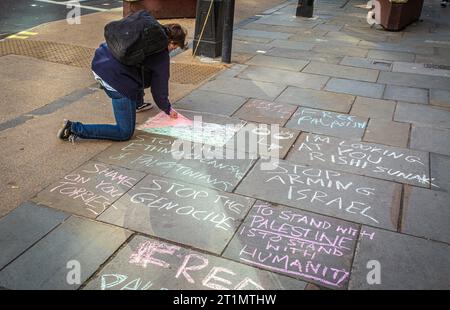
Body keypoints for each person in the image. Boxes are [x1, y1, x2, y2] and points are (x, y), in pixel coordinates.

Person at [57, 23, 187, 143]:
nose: (172, 51)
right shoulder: (161, 55)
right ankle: (73, 128)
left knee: (137, 74)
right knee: (124, 132)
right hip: (115, 79)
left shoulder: (146, 31)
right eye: (174, 48)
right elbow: (159, 90)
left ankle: (137, 104)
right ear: (172, 43)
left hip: (99, 62)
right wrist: (167, 108)